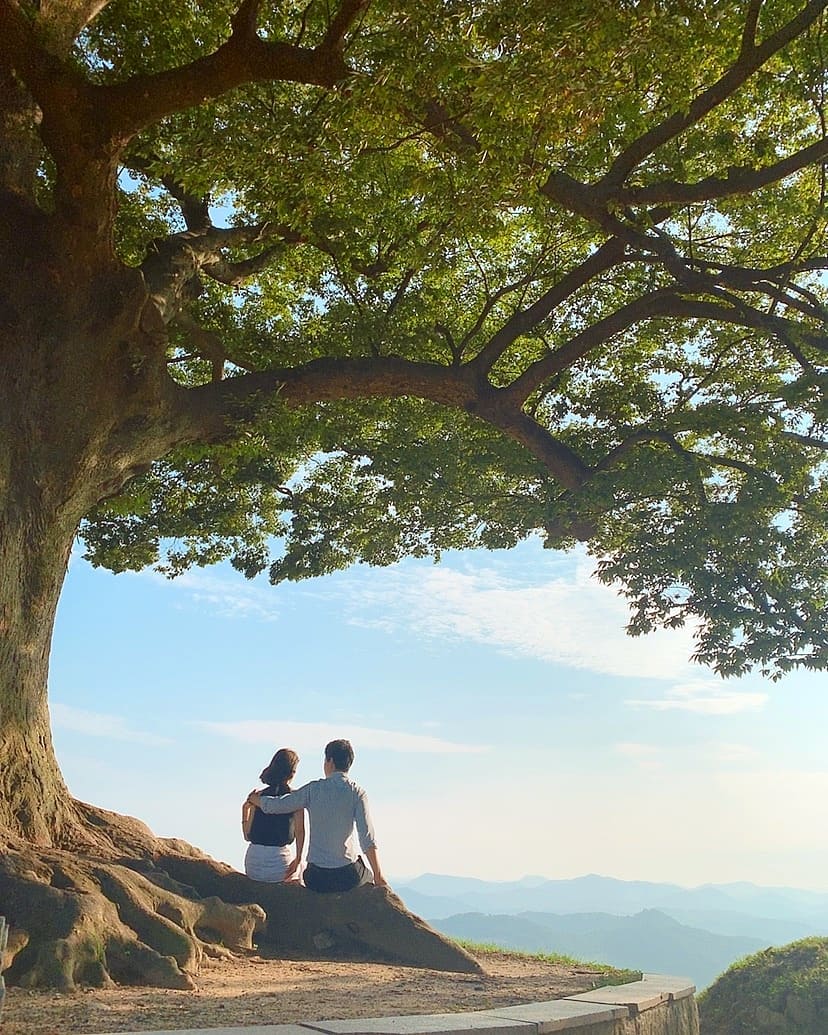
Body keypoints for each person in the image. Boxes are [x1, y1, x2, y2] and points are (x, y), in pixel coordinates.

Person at [247, 738, 387, 893]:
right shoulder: (358, 793)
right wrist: (378, 876)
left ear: (330, 761)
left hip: (315, 877)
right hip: (346, 877)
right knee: (364, 873)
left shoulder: (312, 790)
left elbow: (279, 805)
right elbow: (367, 838)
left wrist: (256, 799)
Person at [242, 747, 305, 882]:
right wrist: (298, 858)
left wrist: (244, 811)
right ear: (292, 773)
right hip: (279, 865)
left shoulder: (258, 797)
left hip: (253, 865)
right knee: (302, 870)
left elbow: (247, 836)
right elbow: (300, 832)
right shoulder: (296, 798)